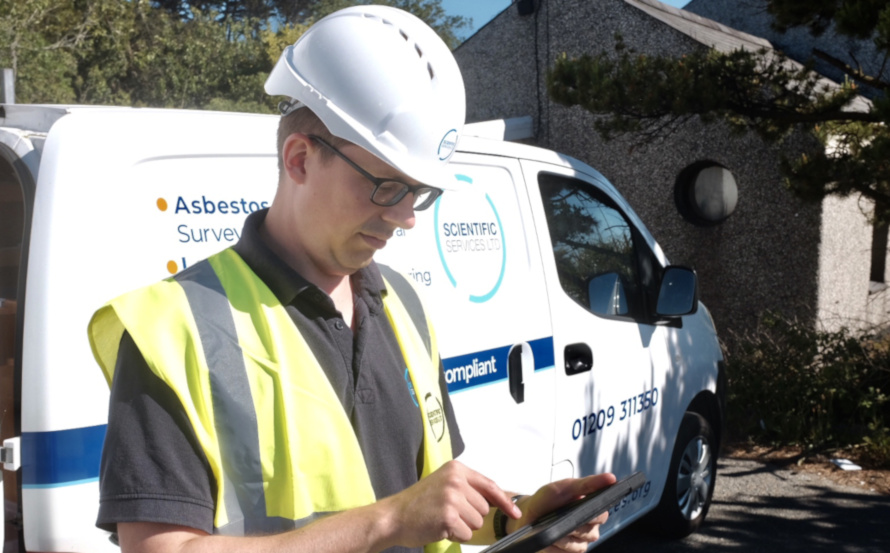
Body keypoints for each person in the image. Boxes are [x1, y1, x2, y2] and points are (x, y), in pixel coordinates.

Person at [87, 6, 616, 553]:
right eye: (387, 185)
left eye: (420, 191)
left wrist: (516, 518)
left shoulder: (402, 304)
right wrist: (384, 523)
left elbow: (424, 506)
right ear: (299, 159)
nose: (407, 215)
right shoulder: (173, 330)